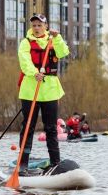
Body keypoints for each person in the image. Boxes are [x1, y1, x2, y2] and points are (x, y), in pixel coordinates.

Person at [17, 13, 70, 173]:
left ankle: (55, 162)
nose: (37, 28)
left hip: (50, 91)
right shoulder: (25, 43)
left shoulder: (53, 41)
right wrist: (34, 73)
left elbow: (63, 53)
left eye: (40, 25)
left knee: (51, 128)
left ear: (45, 26)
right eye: (34, 25)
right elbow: (24, 60)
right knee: (28, 127)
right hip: (30, 90)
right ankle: (23, 163)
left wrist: (58, 38)